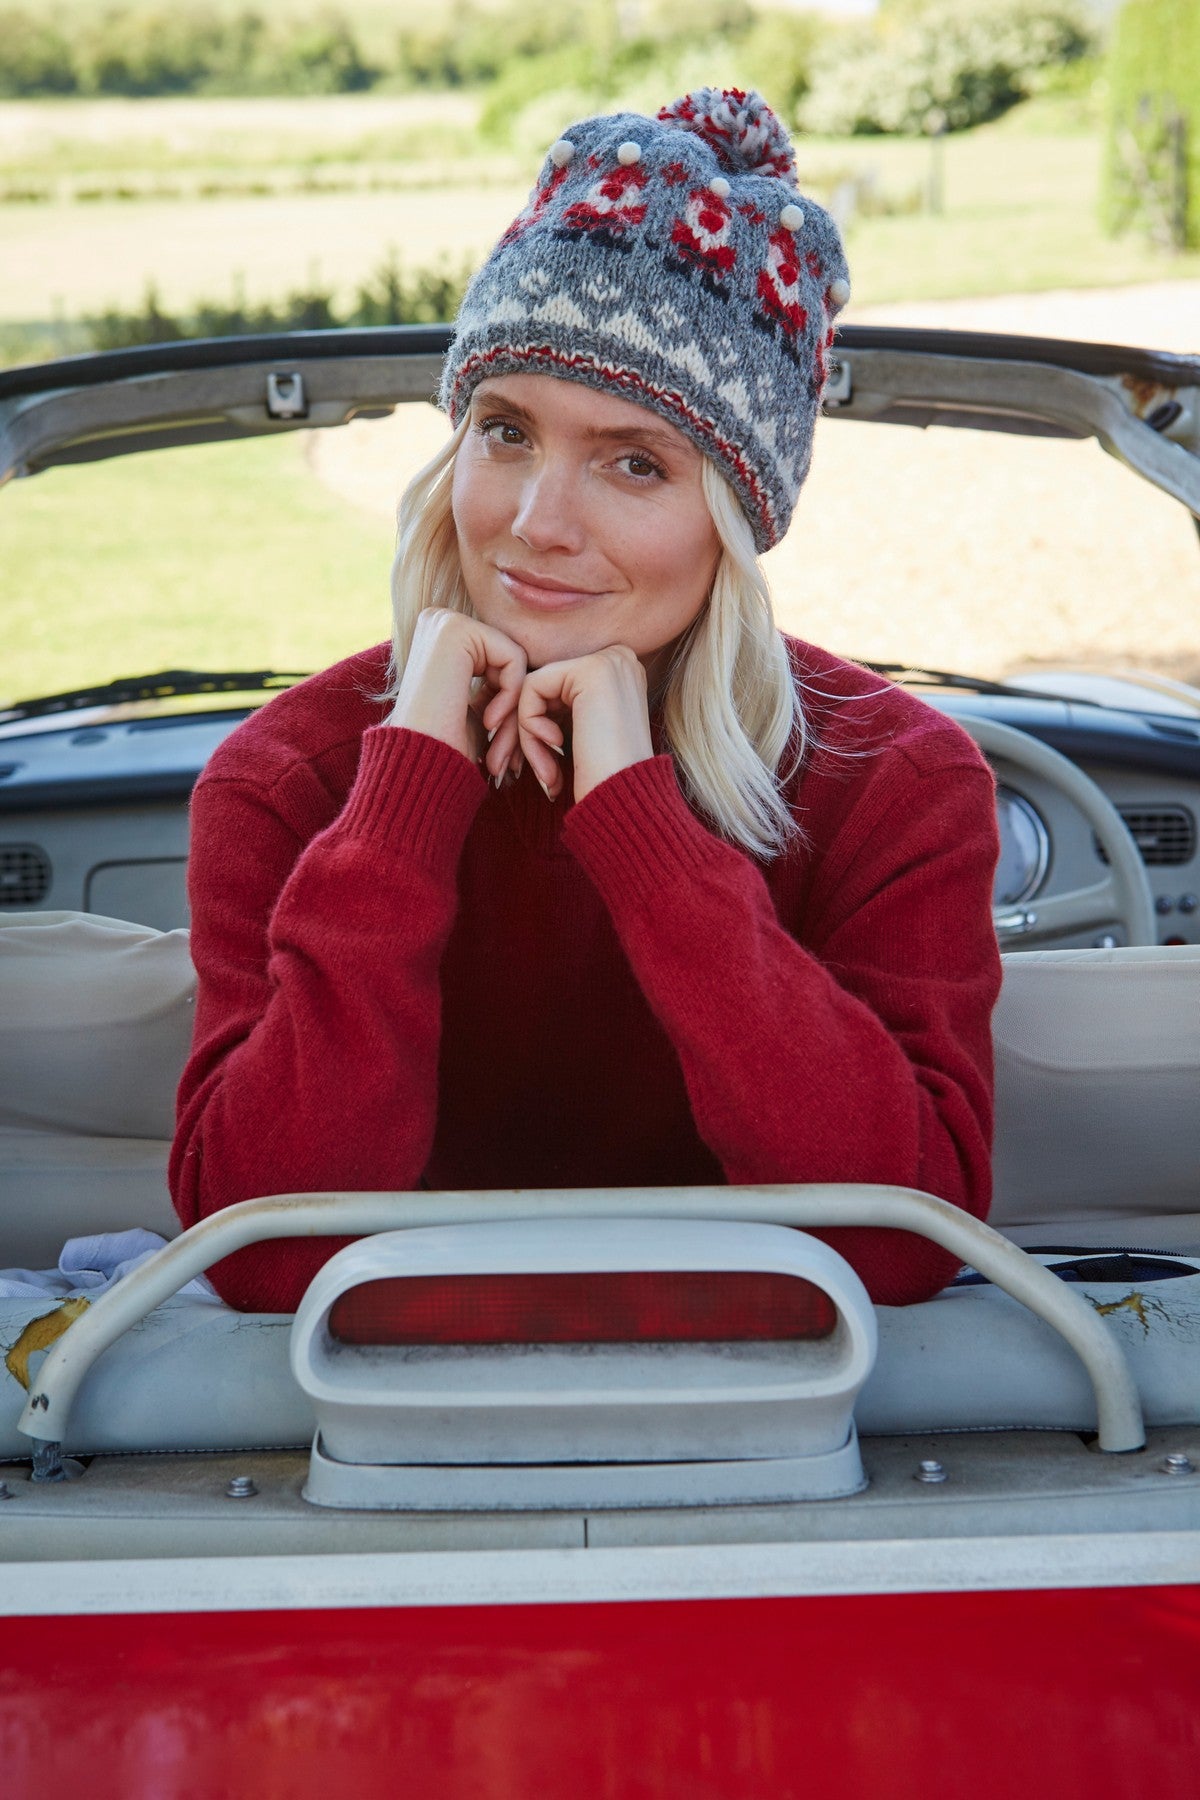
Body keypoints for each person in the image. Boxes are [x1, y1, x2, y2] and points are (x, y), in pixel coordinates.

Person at [170, 88, 1002, 1313]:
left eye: (633, 463)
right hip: (373, 1462)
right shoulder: (287, 781)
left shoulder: (896, 780)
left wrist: (640, 822)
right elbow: (259, 1255)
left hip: (790, 1459)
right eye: (504, 431)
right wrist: (403, 799)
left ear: (737, 517)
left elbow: (902, 1239)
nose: (536, 524)